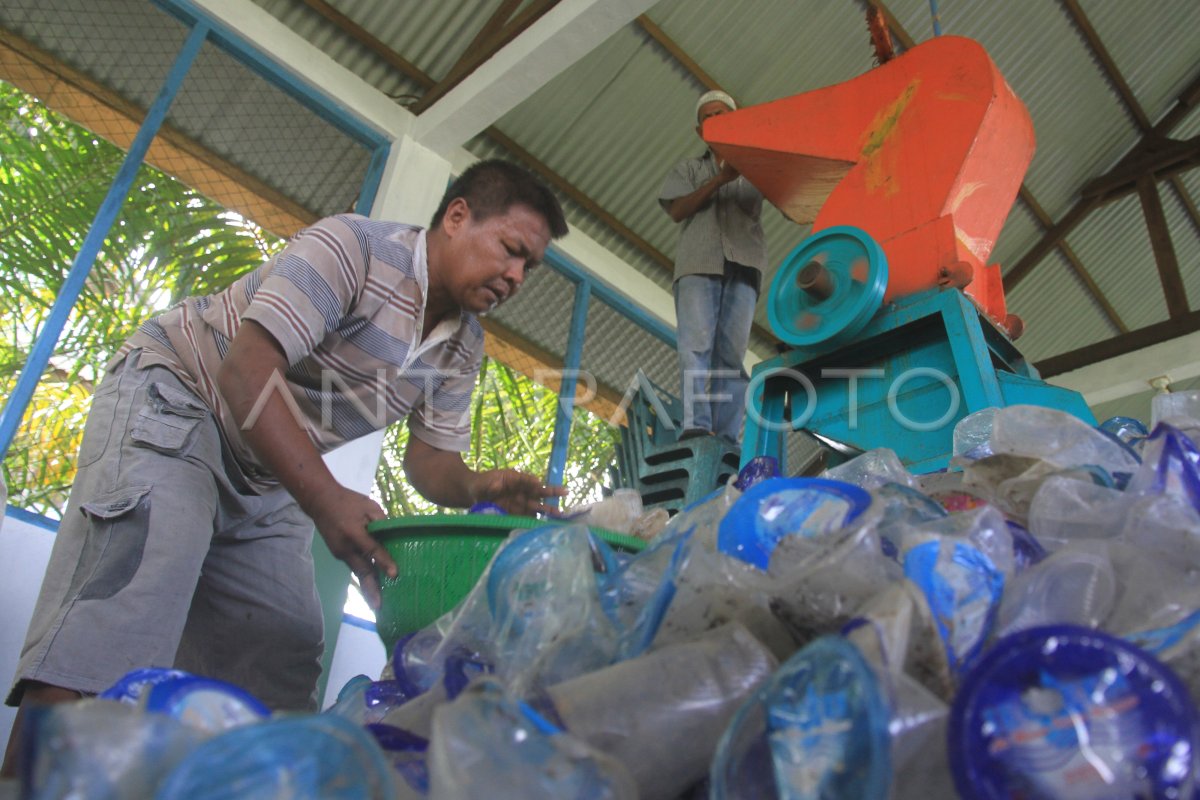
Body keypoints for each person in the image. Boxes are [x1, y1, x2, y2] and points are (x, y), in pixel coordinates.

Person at [1, 158, 569, 774]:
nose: (515, 276)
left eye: (528, 267)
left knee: (279, 663)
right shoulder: (353, 248)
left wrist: (478, 485)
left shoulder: (464, 345)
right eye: (511, 250)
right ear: (457, 216)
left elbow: (430, 461)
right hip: (182, 399)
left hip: (266, 474)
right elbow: (245, 372)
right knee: (118, 620)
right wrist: (327, 501)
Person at [659, 89, 766, 445]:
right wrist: (720, 179)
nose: (716, 120)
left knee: (732, 356)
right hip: (698, 265)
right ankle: (696, 424)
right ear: (699, 130)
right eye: (709, 116)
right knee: (695, 345)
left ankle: (725, 436)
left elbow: (788, 194)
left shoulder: (756, 169)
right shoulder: (689, 168)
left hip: (745, 266)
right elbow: (677, 211)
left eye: (723, 113)